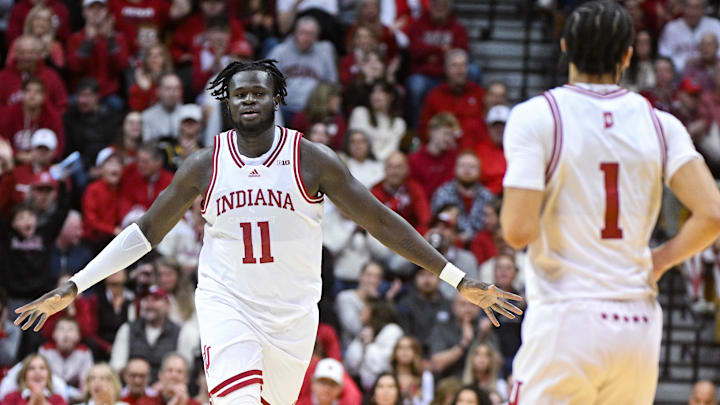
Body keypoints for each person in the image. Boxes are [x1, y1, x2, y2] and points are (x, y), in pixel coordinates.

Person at [14, 59, 522, 405]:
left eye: (258, 92)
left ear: (277, 96)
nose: (249, 101)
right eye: (239, 95)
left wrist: (460, 279)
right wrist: (74, 285)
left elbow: (381, 222)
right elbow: (145, 232)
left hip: (293, 317)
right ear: (227, 102)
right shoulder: (203, 164)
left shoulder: (311, 158)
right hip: (226, 303)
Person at [500, 2, 720, 404]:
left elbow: (517, 232)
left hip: (566, 319)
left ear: (565, 44)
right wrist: (661, 259)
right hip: (636, 322)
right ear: (627, 55)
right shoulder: (660, 123)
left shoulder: (538, 116)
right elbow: (713, 214)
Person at [418, 49, 487, 150]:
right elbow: (424, 130)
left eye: (463, 65)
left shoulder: (480, 94)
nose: (459, 70)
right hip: (444, 155)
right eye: (454, 65)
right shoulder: (434, 96)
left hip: (474, 155)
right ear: (446, 69)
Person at [658, 0, 720, 71]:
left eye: (696, 7)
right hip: (677, 74)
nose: (692, 12)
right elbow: (665, 55)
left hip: (710, 73)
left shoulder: (715, 25)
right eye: (688, 7)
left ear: (703, 9)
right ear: (683, 8)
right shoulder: (671, 28)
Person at [0, 354, 66, 405]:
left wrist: (43, 402)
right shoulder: (11, 398)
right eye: (31, 368)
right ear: (24, 375)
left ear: (48, 375)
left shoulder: (58, 400)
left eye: (42, 368)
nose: (37, 372)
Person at [390, 336, 434, 405]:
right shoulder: (388, 377)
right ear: (395, 352)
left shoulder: (425, 376)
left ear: (415, 352)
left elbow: (428, 402)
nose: (405, 351)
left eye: (409, 348)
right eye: (401, 347)